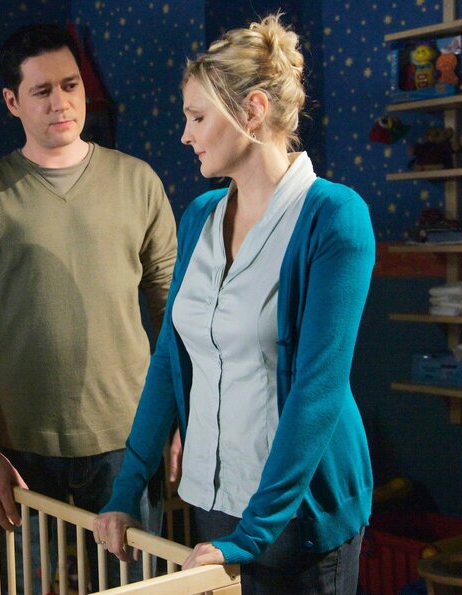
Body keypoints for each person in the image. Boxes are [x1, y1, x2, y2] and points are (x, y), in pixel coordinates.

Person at [93, 13, 375, 595]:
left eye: (197, 117)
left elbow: (318, 390)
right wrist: (126, 491)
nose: (185, 134)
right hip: (214, 499)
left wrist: (253, 534)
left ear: (253, 111)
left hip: (298, 513)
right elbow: (170, 361)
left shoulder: (334, 217)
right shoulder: (199, 216)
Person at [0, 23, 177, 590]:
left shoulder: (137, 182)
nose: (61, 103)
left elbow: (175, 313)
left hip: (129, 439)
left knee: (137, 586)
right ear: (12, 102)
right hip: (21, 449)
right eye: (42, 91)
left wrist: (180, 418)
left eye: (70, 85)